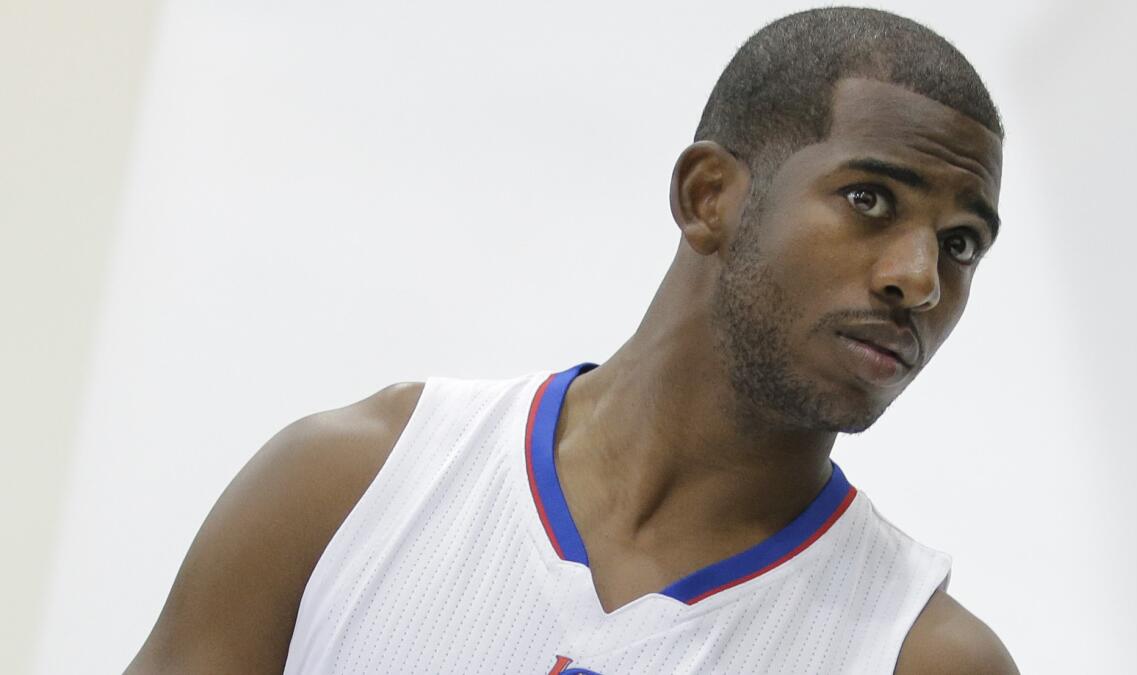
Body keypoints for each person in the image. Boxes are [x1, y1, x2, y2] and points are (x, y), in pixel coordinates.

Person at [127, 7, 1018, 674]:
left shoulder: (921, 656)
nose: (919, 277)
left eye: (961, 242)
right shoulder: (347, 484)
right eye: (871, 199)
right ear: (710, 196)